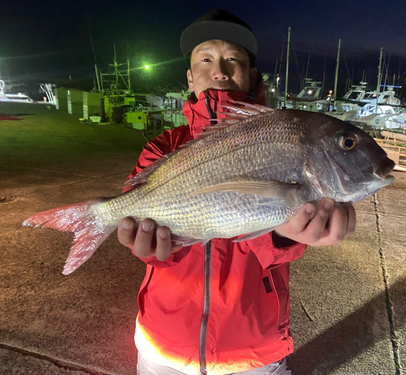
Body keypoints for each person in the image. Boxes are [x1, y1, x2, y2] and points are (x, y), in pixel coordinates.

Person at [118, 9, 356, 375]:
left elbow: (272, 238)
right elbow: (149, 230)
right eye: (206, 59)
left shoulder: (281, 136)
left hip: (251, 351)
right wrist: (150, 248)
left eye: (233, 59)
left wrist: (283, 235)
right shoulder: (163, 148)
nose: (220, 71)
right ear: (190, 76)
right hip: (163, 343)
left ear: (252, 74)